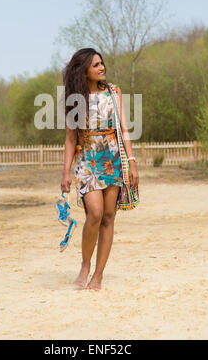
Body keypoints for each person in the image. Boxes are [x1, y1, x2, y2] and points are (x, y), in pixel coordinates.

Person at [60, 48, 139, 290]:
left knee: (108, 216)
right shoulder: (76, 98)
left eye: (101, 63)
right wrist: (65, 173)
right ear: (83, 69)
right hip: (87, 161)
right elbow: (71, 139)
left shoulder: (114, 92)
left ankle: (98, 274)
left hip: (112, 159)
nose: (101, 67)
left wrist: (132, 162)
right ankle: (85, 264)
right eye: (95, 65)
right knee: (93, 213)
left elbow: (123, 129)